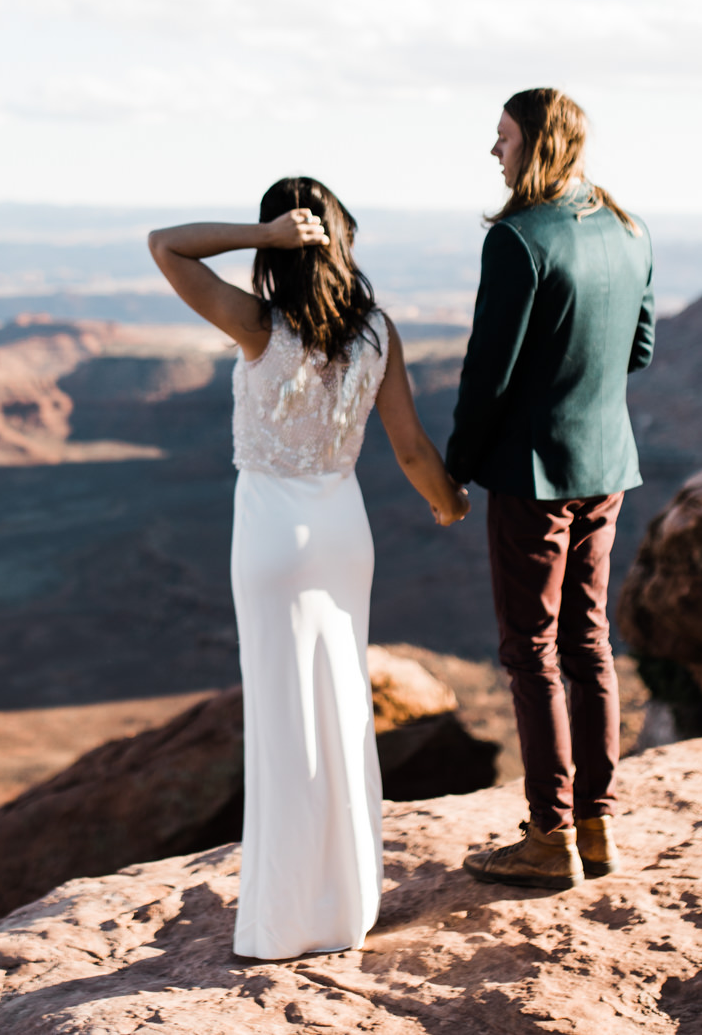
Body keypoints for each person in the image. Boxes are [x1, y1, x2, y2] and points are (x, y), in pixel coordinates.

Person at [148, 178, 467, 960]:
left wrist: (265, 239)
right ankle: (345, 904)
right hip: (341, 531)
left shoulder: (257, 323)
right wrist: (451, 504)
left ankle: (285, 920)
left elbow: (165, 244)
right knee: (341, 706)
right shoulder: (377, 332)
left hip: (270, 538)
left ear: (289, 241)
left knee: (285, 721)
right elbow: (413, 450)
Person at [450, 88, 654, 891]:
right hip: (606, 466)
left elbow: (486, 376)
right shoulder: (630, 229)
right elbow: (638, 348)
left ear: (535, 143)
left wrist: (455, 466)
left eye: (502, 137)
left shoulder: (516, 240)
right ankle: (596, 824)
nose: (492, 151)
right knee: (590, 641)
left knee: (530, 649)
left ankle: (549, 835)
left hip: (533, 475)